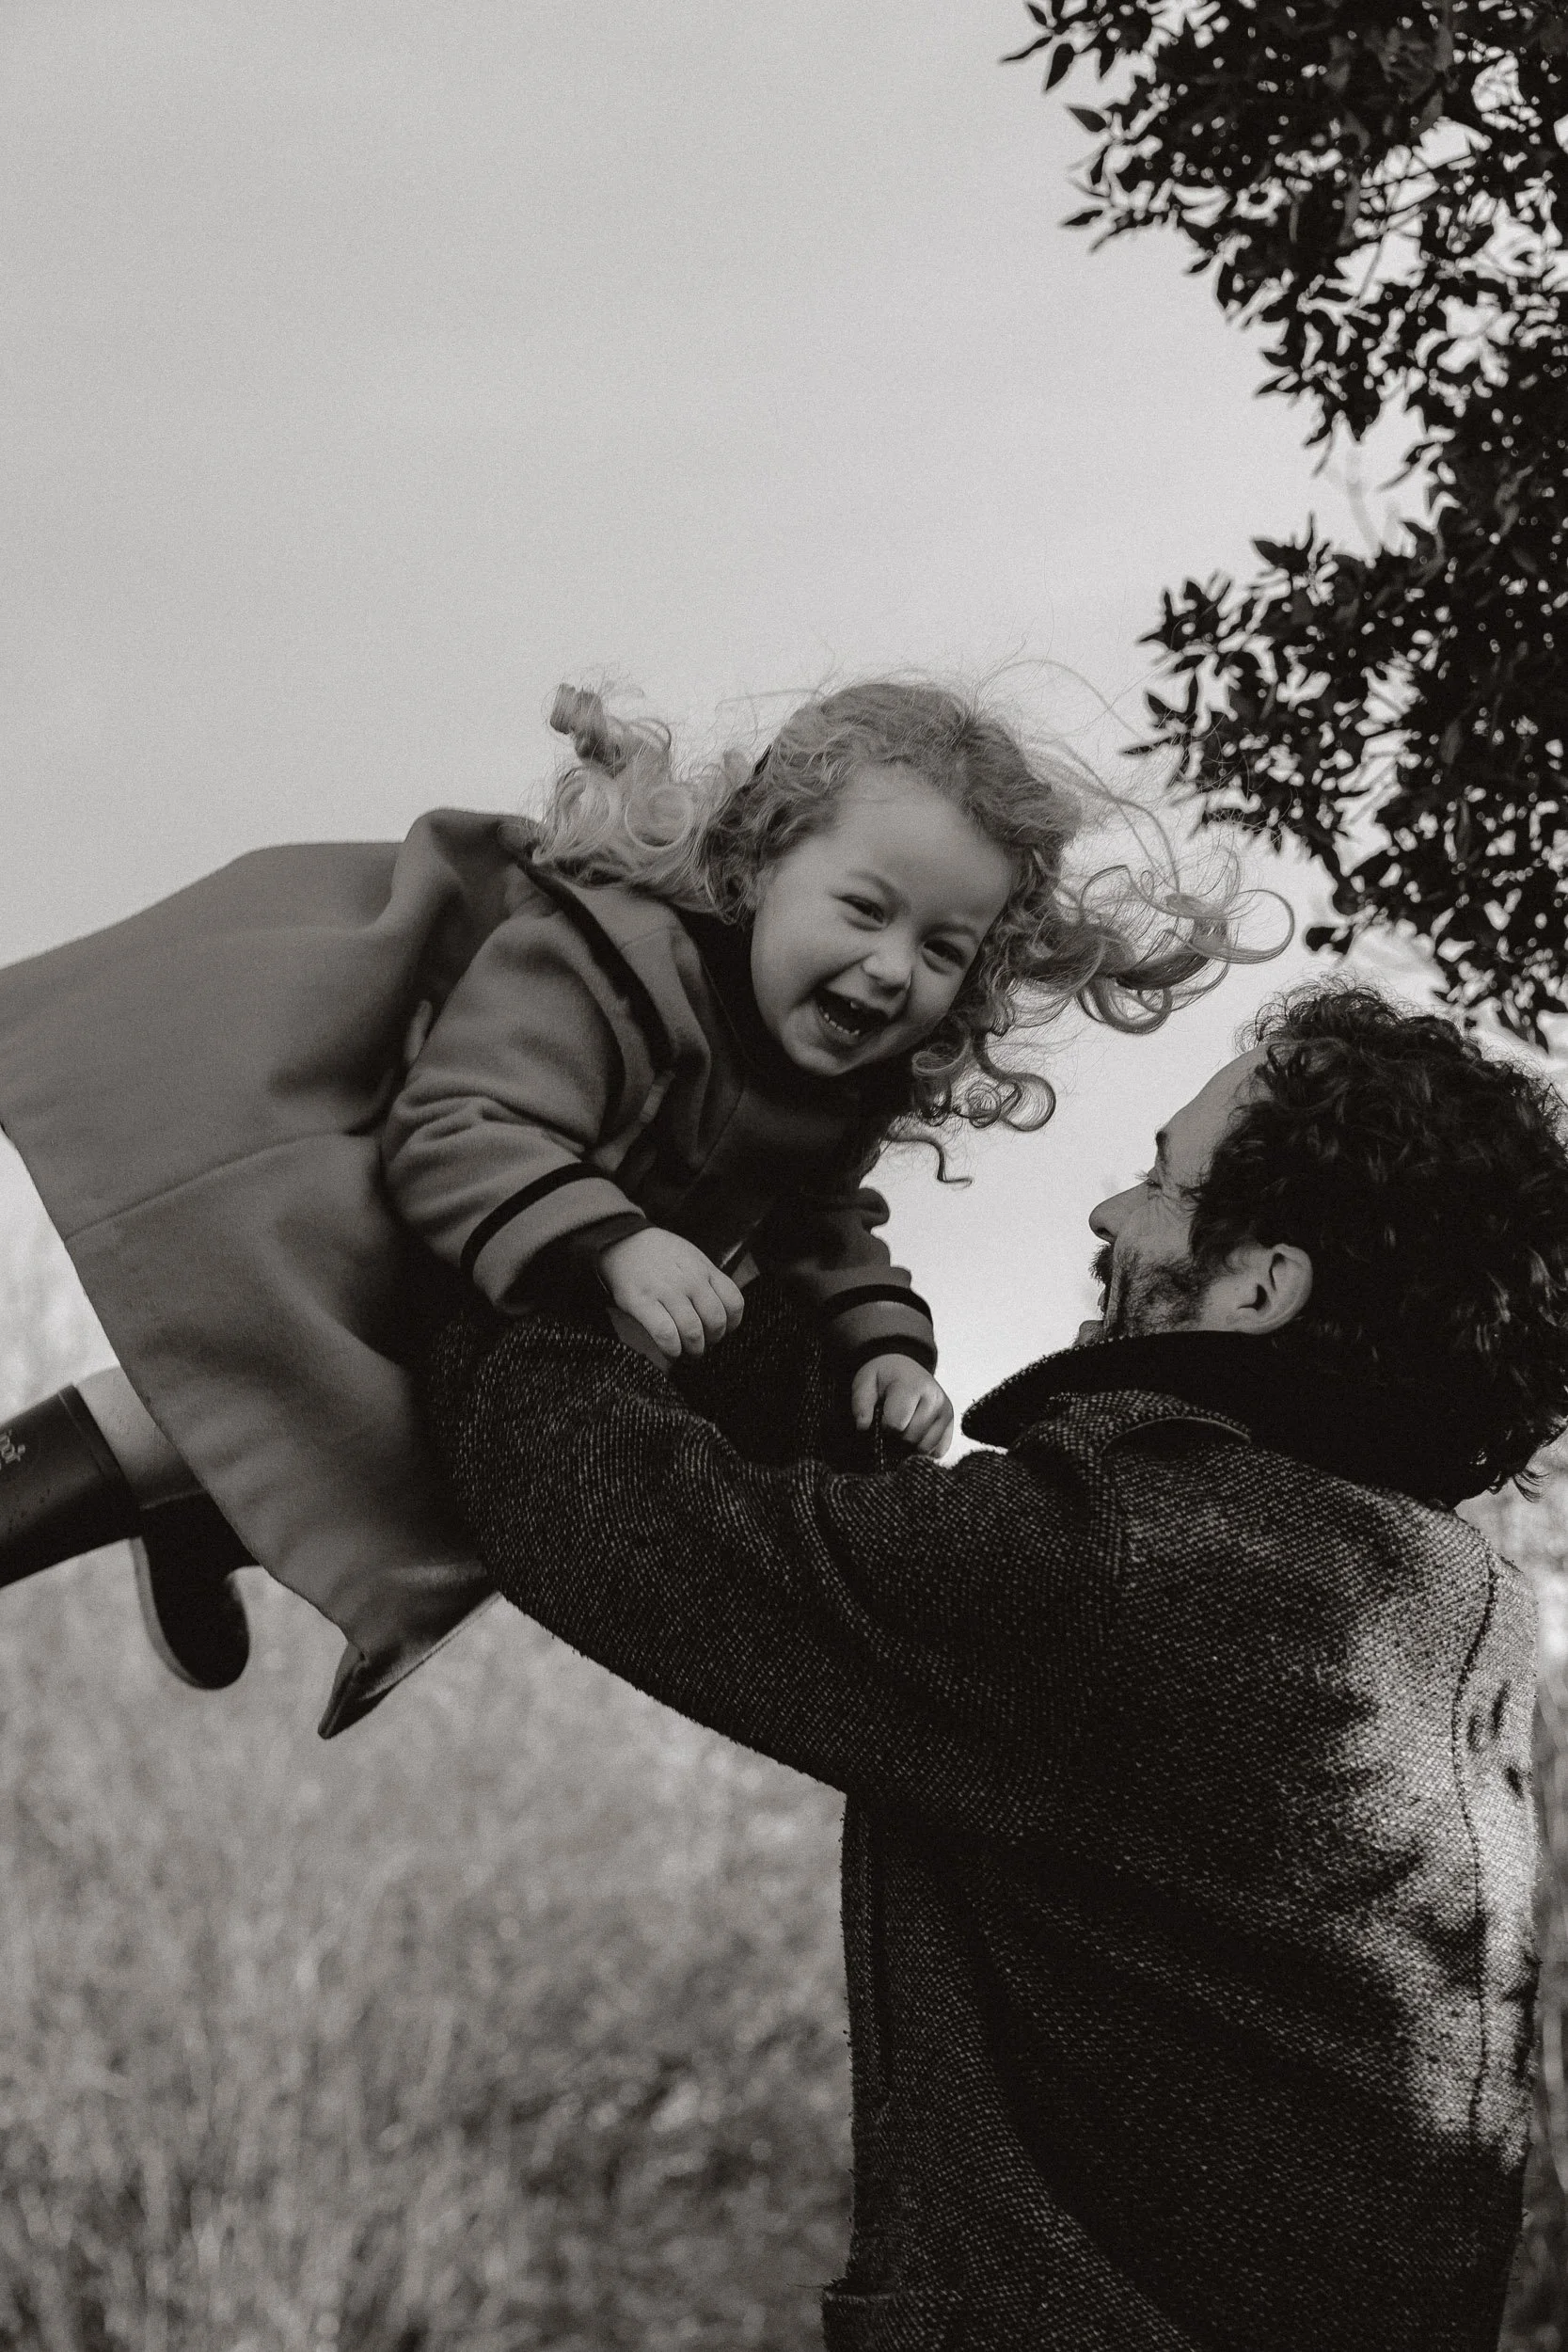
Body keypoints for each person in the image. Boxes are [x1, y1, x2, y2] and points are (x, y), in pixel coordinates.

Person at [417, 983, 1567, 2352]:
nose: (1105, 1218)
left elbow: (619, 1521)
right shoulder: (1451, 1594)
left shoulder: (1137, 1572)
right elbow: (900, 1564)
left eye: (1158, 1184)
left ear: (1259, 1286)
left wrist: (521, 1228)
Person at [0, 677, 1237, 1735]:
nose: (887, 968)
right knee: (240, 1376)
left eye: (941, 948)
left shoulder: (836, 1081)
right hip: (399, 1206)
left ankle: (199, 1525)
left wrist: (883, 1346)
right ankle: (89, 1490)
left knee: (477, 1430)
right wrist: (615, 1238)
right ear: (757, 869)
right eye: (863, 909)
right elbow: (458, 1128)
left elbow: (822, 1222)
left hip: (510, 1285)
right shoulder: (599, 961)